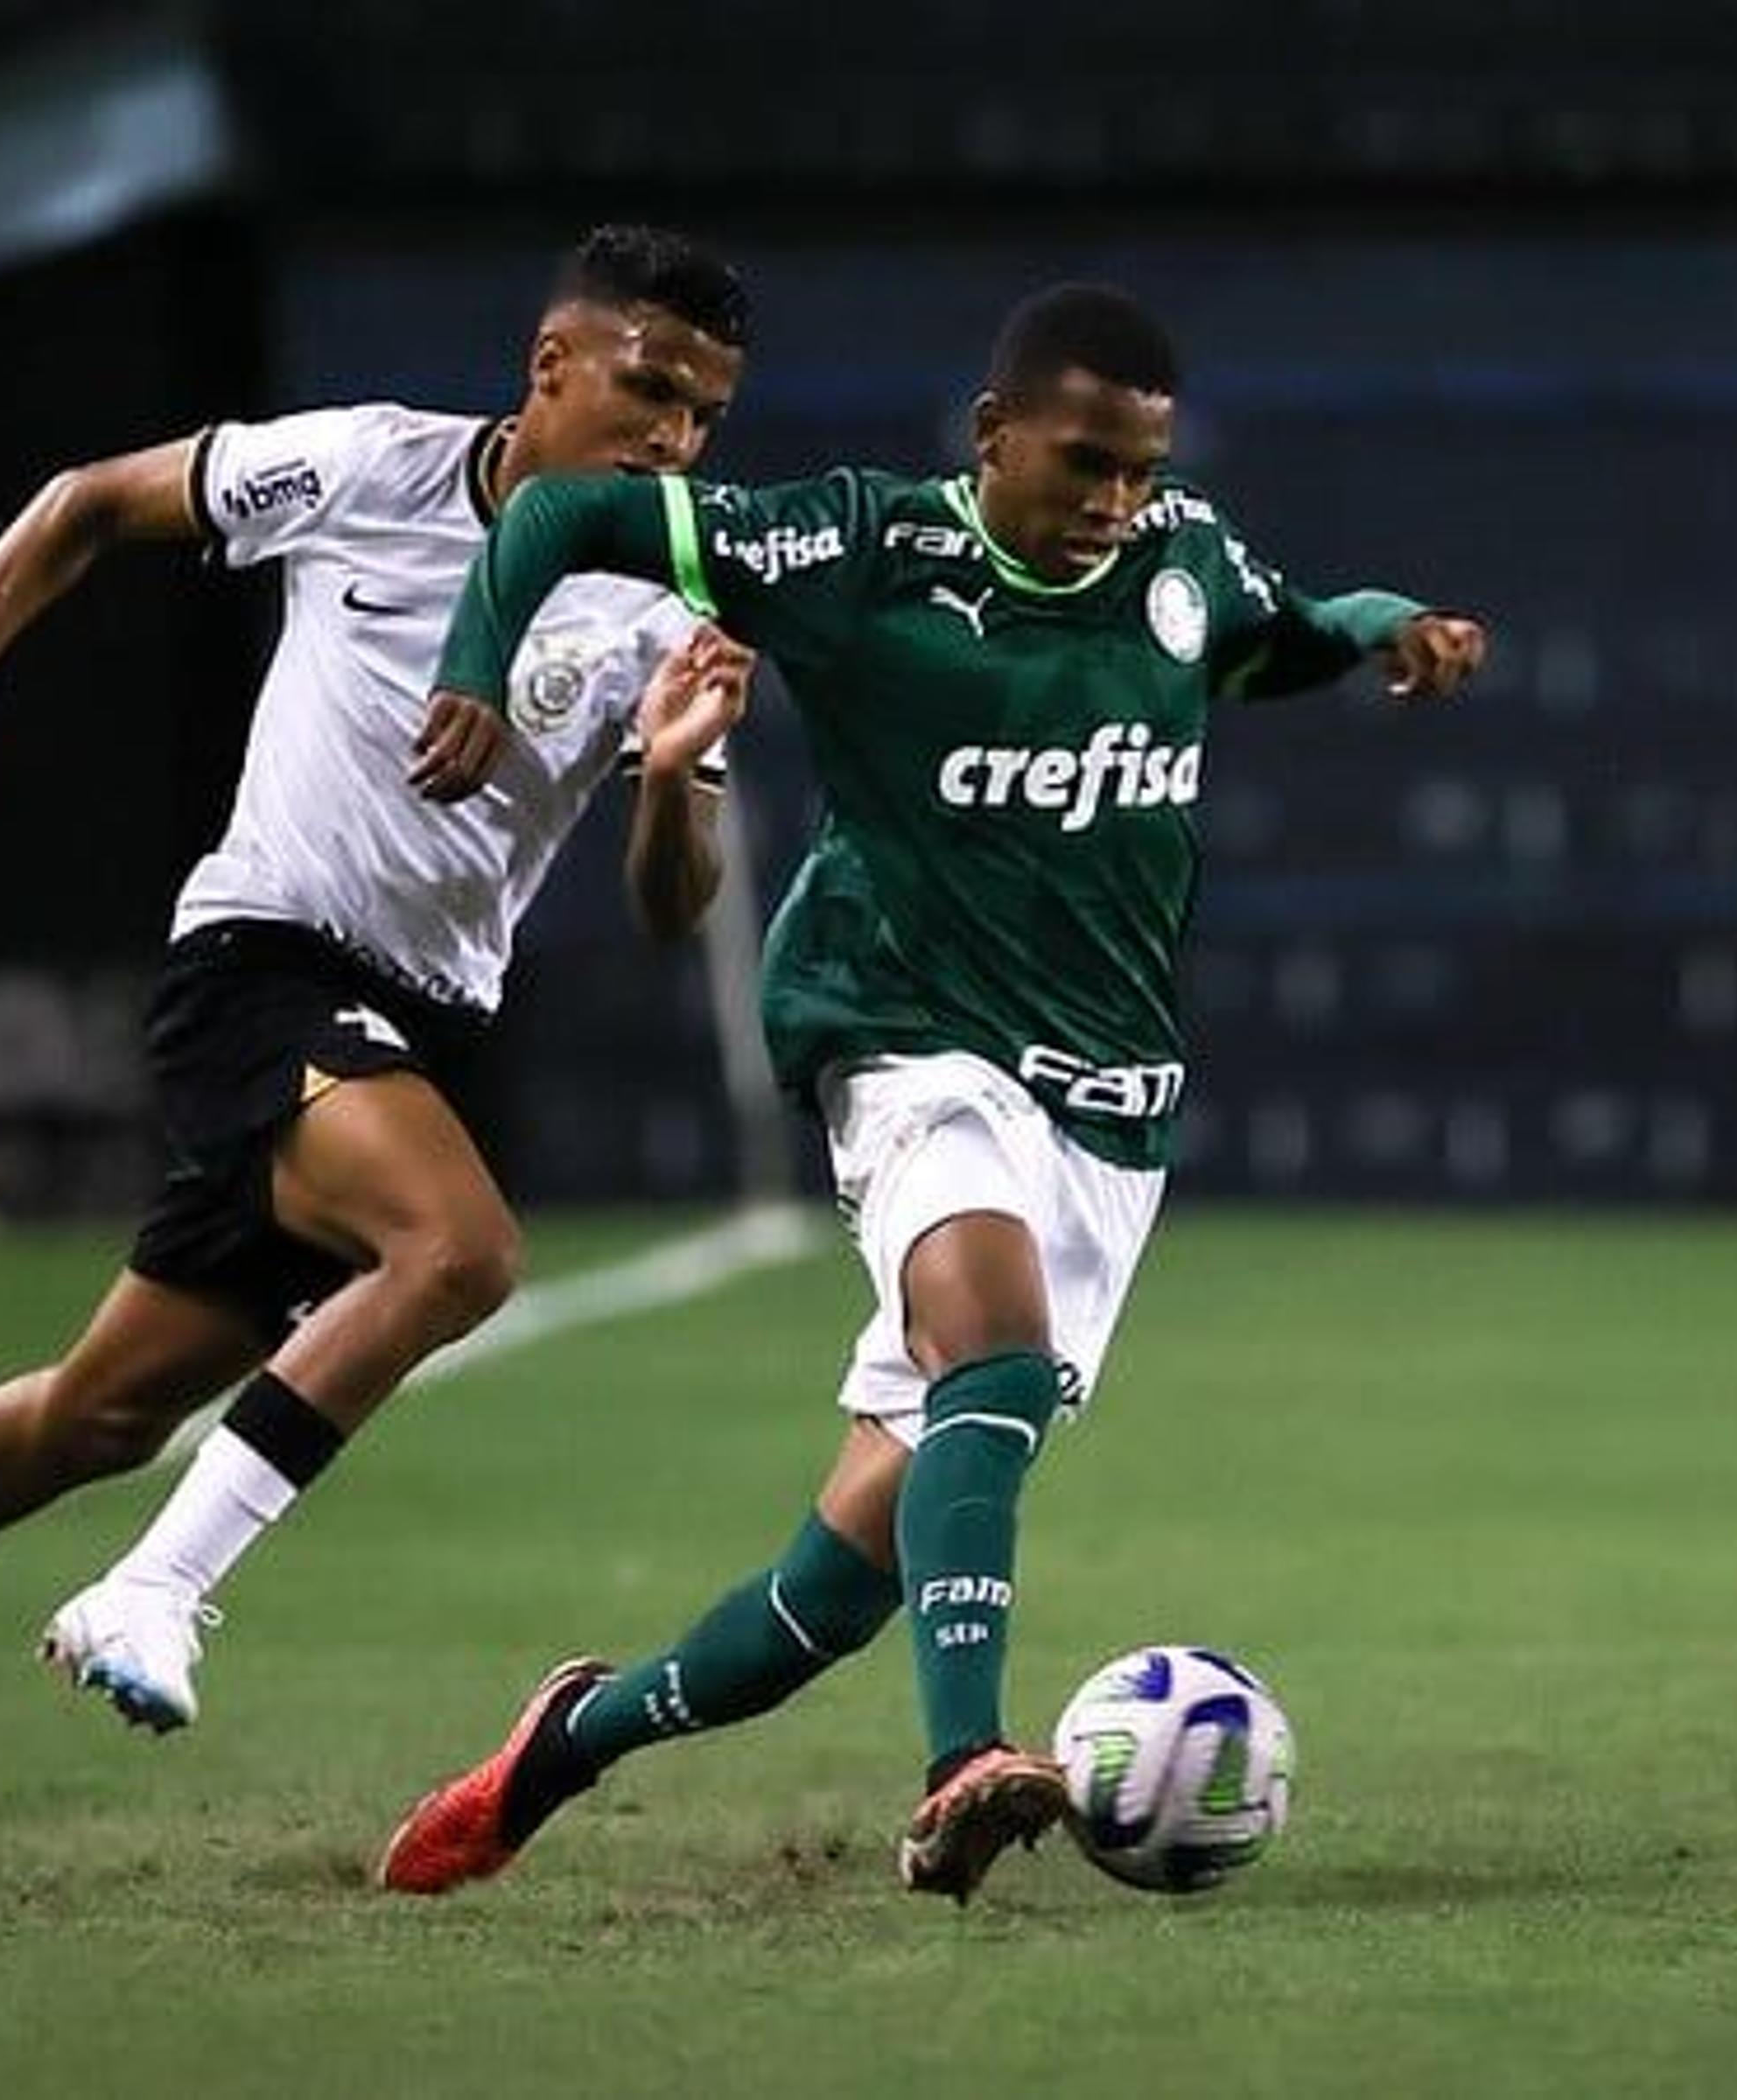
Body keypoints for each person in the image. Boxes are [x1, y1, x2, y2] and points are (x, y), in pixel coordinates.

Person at [375, 283, 1489, 1904]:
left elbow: (1290, 628)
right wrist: (475, 662)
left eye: (1137, 470)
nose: (1112, 501)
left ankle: (560, 1746)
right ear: (993, 434)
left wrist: (1396, 622)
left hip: (1111, 1105)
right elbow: (563, 511)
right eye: (1082, 462)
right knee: (997, 1349)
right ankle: (964, 1764)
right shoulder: (857, 552)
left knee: (830, 1595)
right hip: (904, 1030)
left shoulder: (1180, 564)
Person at [0, 226, 760, 1840]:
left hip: (414, 1028)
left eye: (704, 418)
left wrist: (671, 777)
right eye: (649, 388)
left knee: (96, 1414)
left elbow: (677, 905)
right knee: (458, 1250)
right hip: (258, 964)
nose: (672, 438)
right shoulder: (365, 470)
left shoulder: (657, 607)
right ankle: (156, 1593)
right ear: (552, 366)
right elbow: (88, 504)